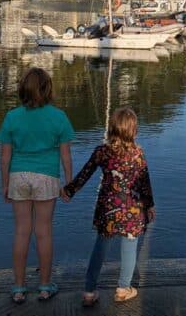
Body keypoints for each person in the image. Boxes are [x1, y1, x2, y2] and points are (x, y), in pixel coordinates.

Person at [62, 107, 155, 307]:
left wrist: (69, 191)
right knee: (130, 247)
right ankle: (123, 289)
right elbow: (144, 183)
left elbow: (85, 173)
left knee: (100, 247)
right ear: (134, 131)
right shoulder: (138, 154)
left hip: (108, 209)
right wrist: (150, 206)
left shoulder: (102, 152)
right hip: (133, 210)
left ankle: (89, 291)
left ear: (112, 129)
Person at [0, 67, 74, 304]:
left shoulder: (12, 117)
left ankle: (19, 288)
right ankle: (44, 286)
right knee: (44, 232)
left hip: (19, 176)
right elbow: (66, 155)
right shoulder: (59, 117)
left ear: (23, 89)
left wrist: (5, 184)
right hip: (47, 177)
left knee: (22, 231)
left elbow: (5, 156)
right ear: (48, 89)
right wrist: (69, 183)